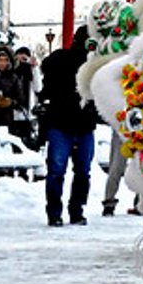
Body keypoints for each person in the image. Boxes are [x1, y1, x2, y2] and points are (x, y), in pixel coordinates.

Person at [35, 26, 101, 227]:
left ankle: (60, 212)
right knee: (77, 171)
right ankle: (72, 211)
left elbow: (45, 83)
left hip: (67, 122)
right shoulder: (89, 65)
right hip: (72, 123)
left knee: (61, 171)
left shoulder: (64, 61)